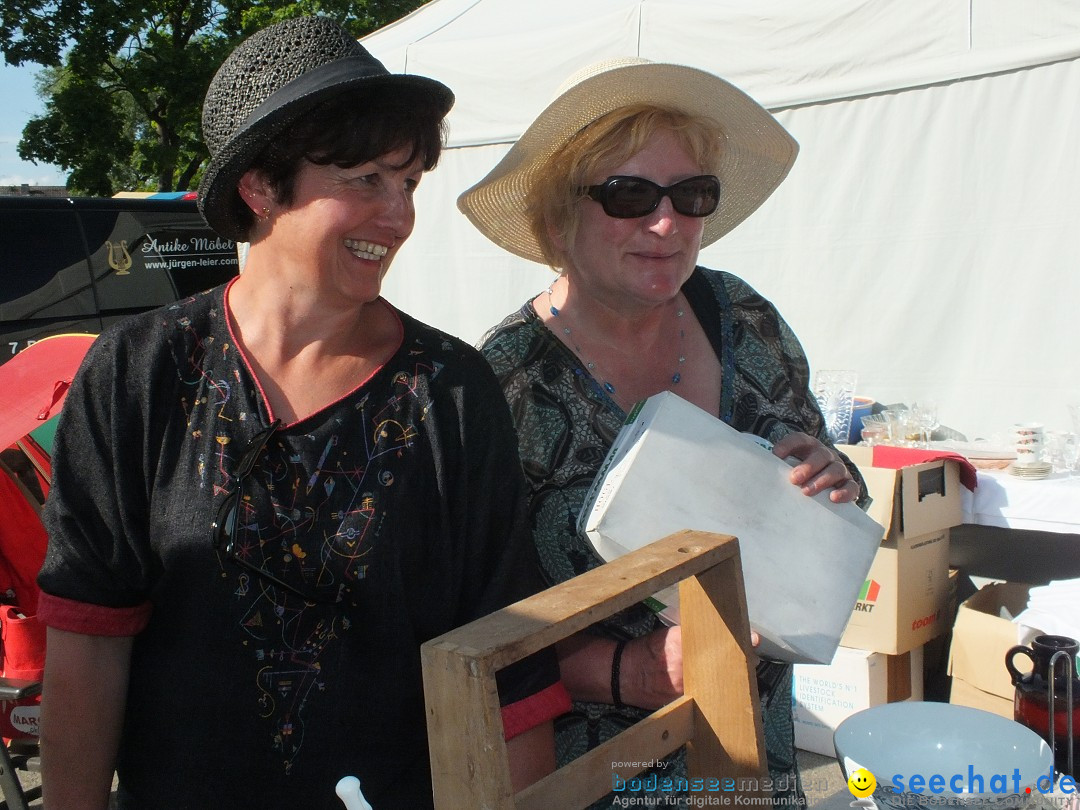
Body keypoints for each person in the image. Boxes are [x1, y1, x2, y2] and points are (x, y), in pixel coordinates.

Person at [36, 17, 568, 809]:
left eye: (408, 182)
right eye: (364, 180)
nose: (399, 217)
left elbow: (508, 659)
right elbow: (89, 634)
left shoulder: (452, 390)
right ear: (260, 186)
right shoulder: (140, 371)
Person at [459, 59, 869, 809]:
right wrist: (634, 672)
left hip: (757, 741)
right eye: (629, 195)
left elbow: (824, 467)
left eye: (692, 194)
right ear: (557, 219)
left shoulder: (741, 315)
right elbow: (479, 624)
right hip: (610, 769)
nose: (667, 222)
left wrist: (832, 477)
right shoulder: (504, 385)